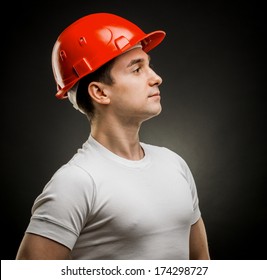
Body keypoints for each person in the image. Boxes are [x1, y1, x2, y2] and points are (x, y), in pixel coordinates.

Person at [16, 12, 210, 260]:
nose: (156, 78)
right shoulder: (76, 182)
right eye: (137, 69)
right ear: (99, 92)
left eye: (149, 65)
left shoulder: (175, 164)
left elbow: (202, 264)